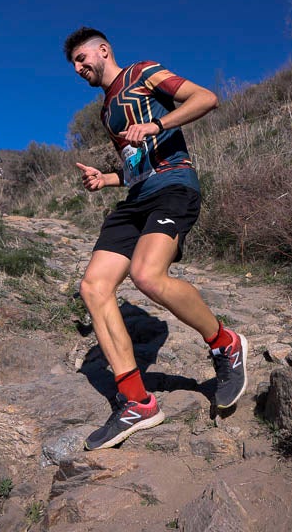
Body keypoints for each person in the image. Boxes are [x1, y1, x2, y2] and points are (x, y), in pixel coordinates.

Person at [63, 27, 248, 450]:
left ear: (103, 50)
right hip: (137, 197)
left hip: (173, 186)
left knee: (147, 275)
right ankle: (137, 402)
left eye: (82, 58)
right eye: (73, 64)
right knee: (93, 286)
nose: (78, 68)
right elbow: (134, 166)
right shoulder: (107, 111)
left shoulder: (143, 73)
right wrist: (106, 178)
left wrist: (157, 123)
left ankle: (226, 344)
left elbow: (205, 98)